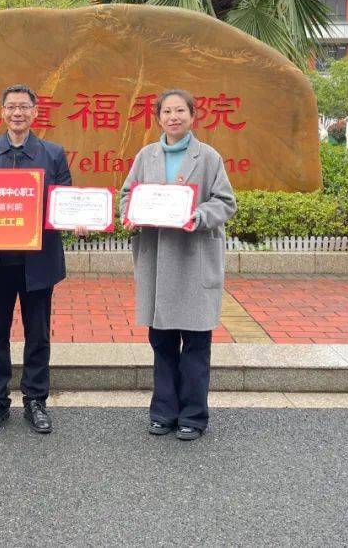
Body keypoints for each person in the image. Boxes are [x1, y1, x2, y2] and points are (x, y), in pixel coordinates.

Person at [0, 84, 83, 435]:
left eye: (24, 107)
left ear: (35, 112)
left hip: (38, 263)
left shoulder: (53, 153)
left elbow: (66, 199)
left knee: (38, 334)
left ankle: (35, 400)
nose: (18, 113)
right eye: (12, 107)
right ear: (2, 112)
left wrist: (78, 220)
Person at [119, 88, 236, 441]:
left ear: (192, 115)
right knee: (163, 342)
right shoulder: (146, 156)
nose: (173, 117)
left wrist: (198, 215)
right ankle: (163, 413)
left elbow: (225, 202)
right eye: (167, 111)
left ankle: (194, 417)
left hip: (194, 258)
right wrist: (129, 214)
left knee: (196, 345)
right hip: (157, 261)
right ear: (158, 118)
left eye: (180, 111)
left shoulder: (209, 157)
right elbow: (128, 194)